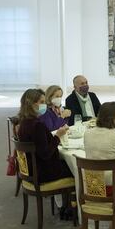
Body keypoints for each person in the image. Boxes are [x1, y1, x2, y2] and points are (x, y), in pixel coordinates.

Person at [17, 89, 73, 217]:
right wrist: (58, 136)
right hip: (43, 172)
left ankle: (64, 205)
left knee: (66, 163)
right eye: (41, 102)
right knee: (75, 168)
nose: (44, 105)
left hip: (30, 169)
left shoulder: (24, 122)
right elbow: (46, 153)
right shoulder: (37, 126)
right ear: (32, 104)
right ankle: (70, 208)